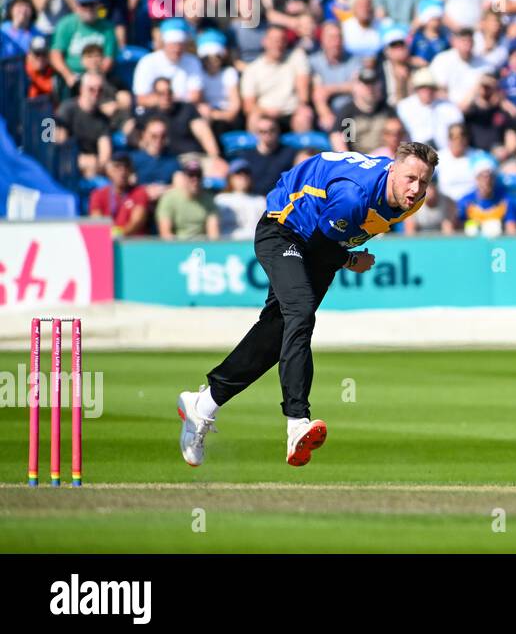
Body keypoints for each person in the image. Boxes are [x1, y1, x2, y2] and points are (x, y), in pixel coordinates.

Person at [177, 143, 438, 468]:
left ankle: (203, 404)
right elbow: (320, 247)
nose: (416, 189)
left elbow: (334, 239)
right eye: (410, 178)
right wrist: (351, 259)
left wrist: (344, 252)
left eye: (424, 182)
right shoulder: (353, 196)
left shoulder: (412, 201)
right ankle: (297, 420)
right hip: (284, 230)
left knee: (276, 334)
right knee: (299, 314)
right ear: (393, 170)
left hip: (324, 237)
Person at [89, 151, 151, 236]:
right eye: (117, 167)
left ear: (130, 171)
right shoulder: (98, 194)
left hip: (132, 243)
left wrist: (120, 234)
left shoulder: (139, 192)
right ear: (109, 170)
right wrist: (109, 235)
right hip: (107, 240)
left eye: (126, 167)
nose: (122, 172)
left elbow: (137, 221)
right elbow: (97, 221)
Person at [156, 160, 220, 240]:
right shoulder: (169, 198)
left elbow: (213, 234)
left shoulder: (209, 199)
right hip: (177, 247)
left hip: (201, 248)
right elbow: (165, 234)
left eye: (198, 176)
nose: (195, 180)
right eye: (191, 175)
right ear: (184, 178)